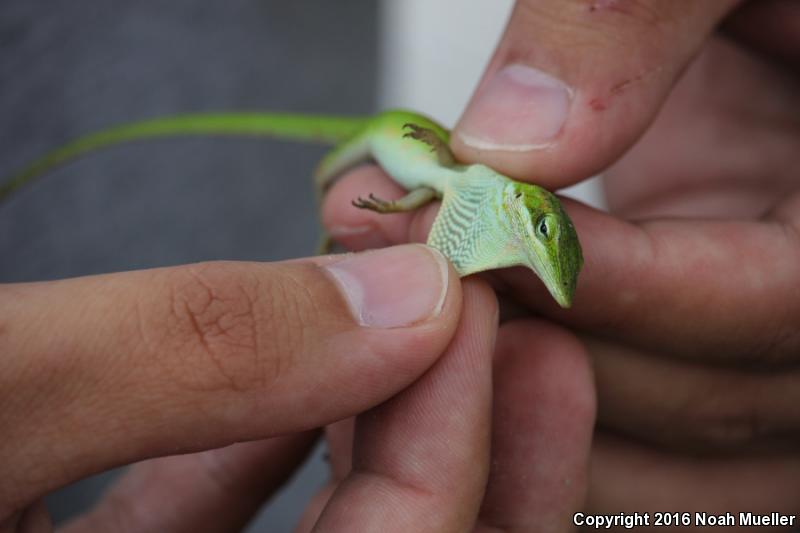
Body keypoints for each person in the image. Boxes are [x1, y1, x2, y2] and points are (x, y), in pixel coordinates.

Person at [2, 1, 798, 532]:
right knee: (337, 178)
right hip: (387, 135)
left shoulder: (494, 192)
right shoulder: (475, 182)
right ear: (533, 218)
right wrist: (389, 204)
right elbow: (429, 182)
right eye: (545, 240)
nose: (546, 258)